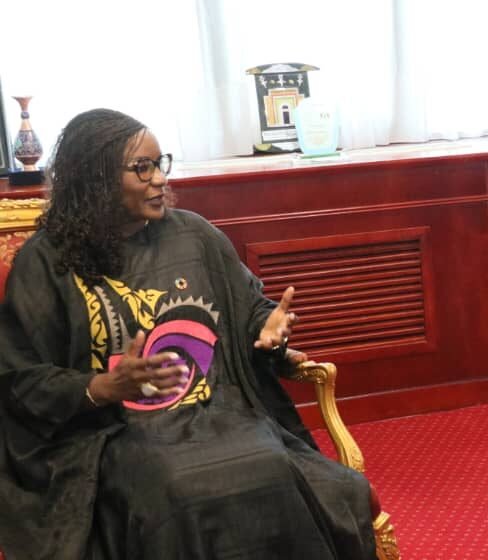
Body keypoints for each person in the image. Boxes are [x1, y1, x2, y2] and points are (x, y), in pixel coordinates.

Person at [0, 109, 377, 559]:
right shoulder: (46, 262)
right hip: (111, 433)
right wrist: (102, 386)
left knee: (270, 467)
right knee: (180, 489)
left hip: (218, 411)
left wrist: (267, 327)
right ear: (96, 178)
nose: (160, 179)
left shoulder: (194, 236)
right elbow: (19, 377)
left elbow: (247, 306)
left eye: (162, 164)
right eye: (143, 168)